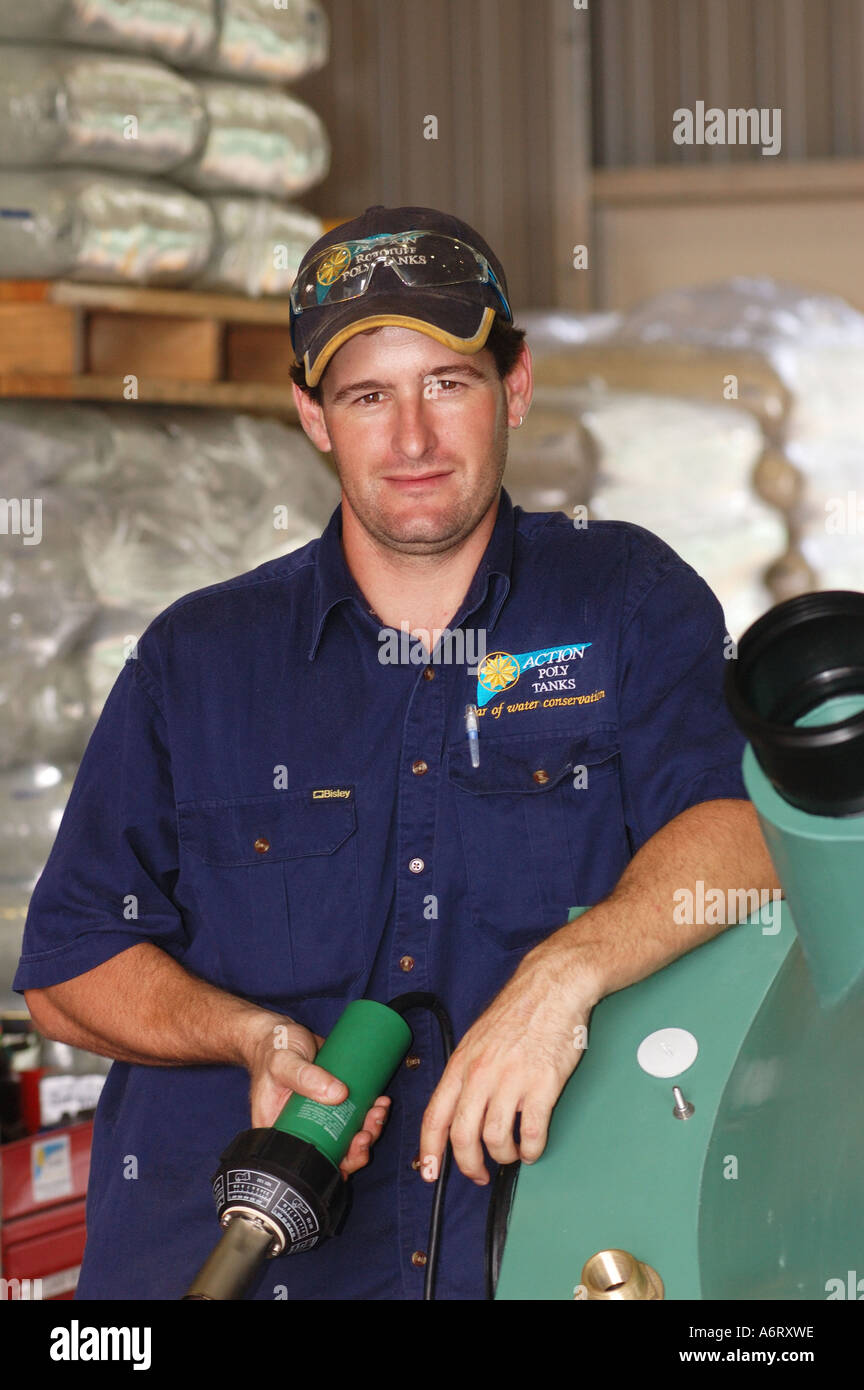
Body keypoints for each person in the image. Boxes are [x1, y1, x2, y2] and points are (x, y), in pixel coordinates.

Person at [15, 204, 780, 1301]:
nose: (412, 439)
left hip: (521, 1258)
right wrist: (251, 1039)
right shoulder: (201, 657)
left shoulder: (625, 600)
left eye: (448, 384)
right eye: (368, 396)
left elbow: (744, 833)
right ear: (312, 416)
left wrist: (558, 981)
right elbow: (68, 968)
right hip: (224, 1268)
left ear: (514, 390)